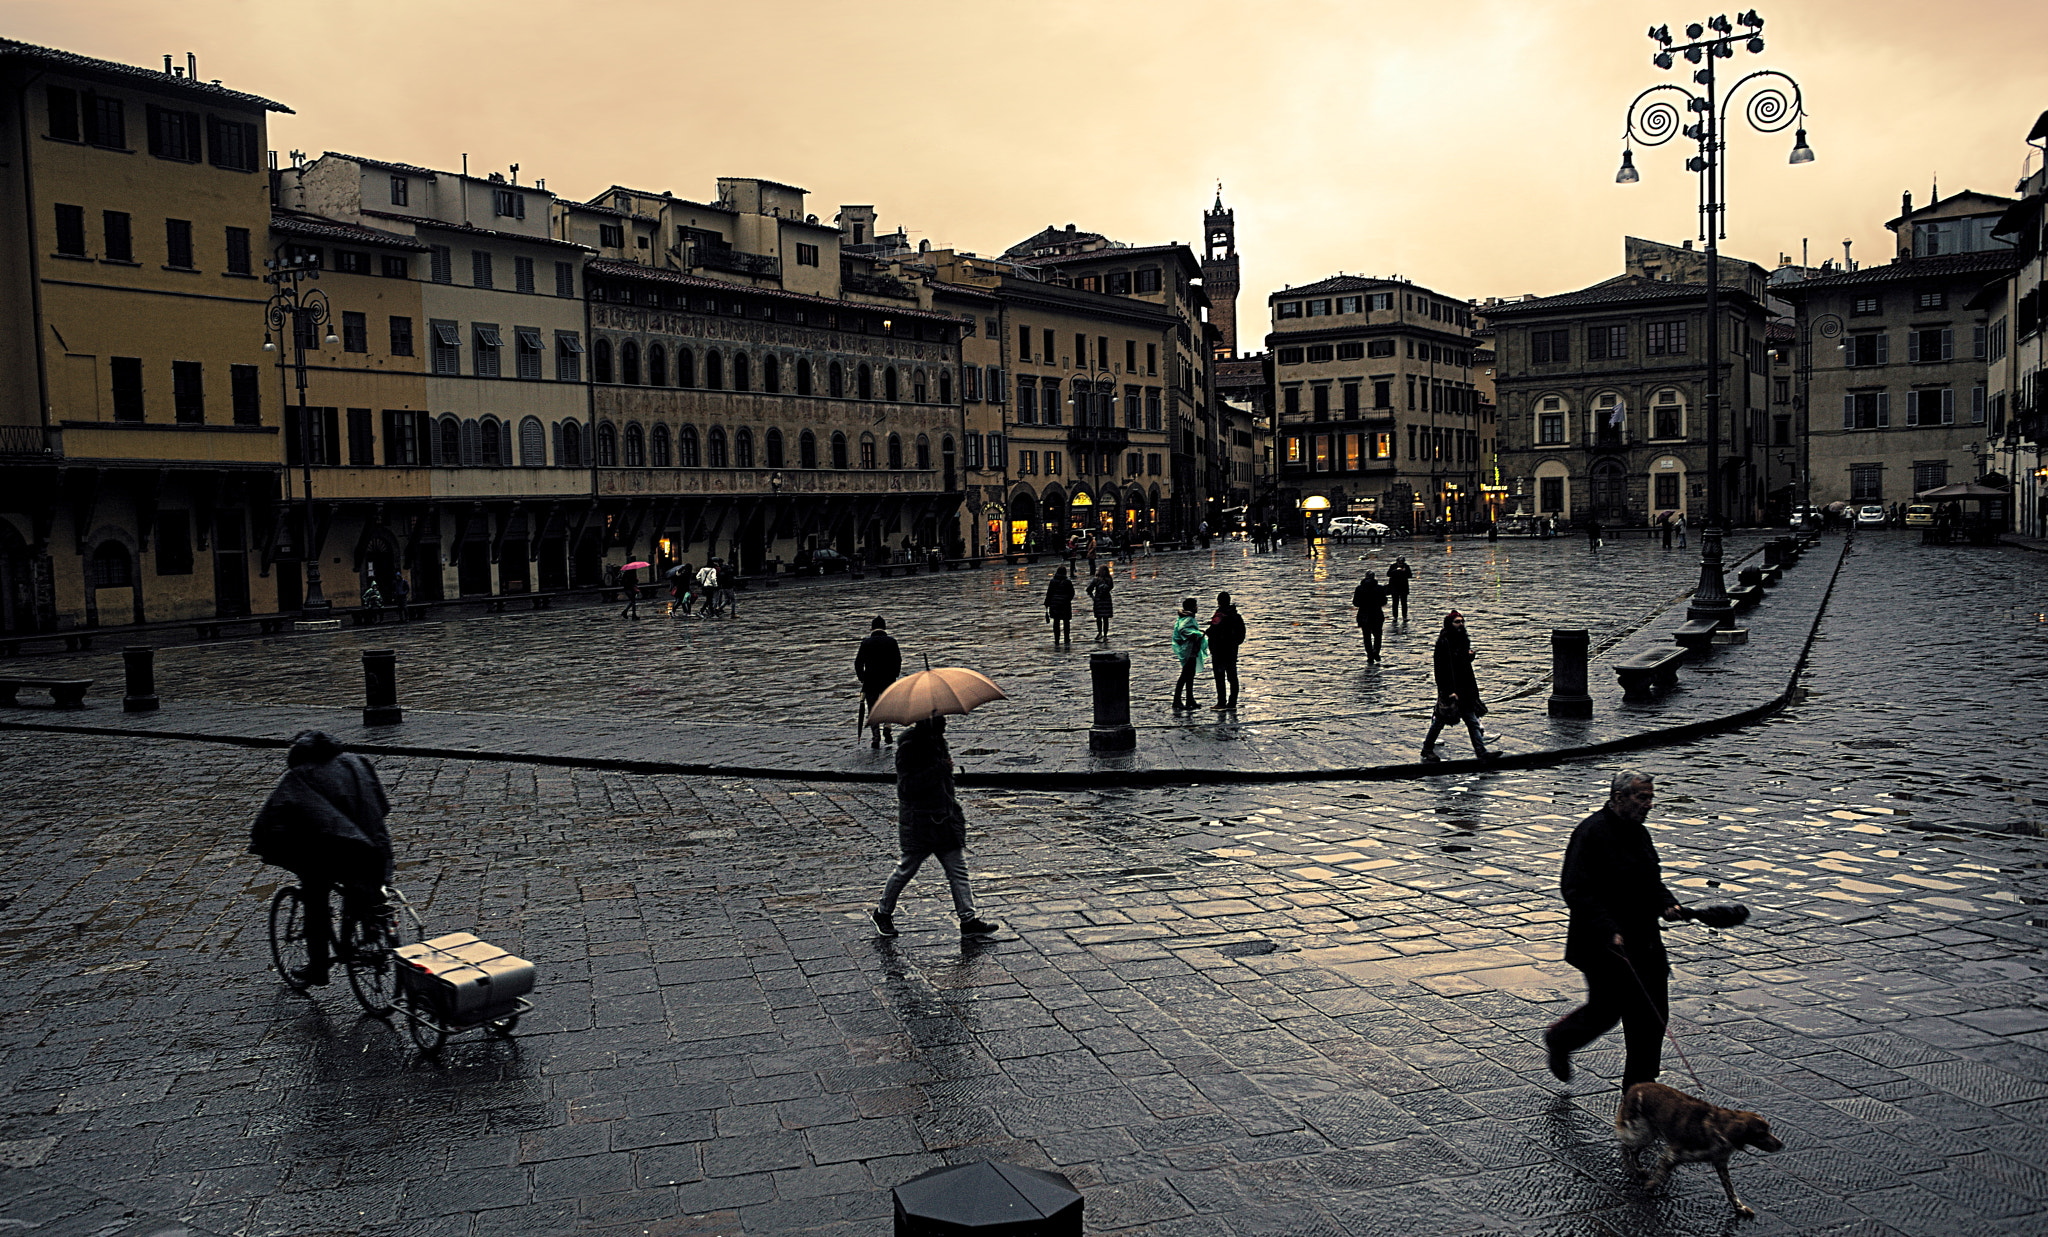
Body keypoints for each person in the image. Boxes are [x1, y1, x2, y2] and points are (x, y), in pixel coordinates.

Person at [1544, 770, 1685, 1091]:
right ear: (1619, 797)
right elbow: (1575, 889)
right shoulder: (1591, 833)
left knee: (1651, 1018)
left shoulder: (1639, 833)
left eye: (1651, 797)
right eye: (1641, 797)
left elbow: (1651, 882)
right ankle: (1560, 1039)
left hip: (1644, 941)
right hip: (1603, 944)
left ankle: (1640, 1093)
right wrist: (1607, 928)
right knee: (1606, 1010)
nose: (1649, 804)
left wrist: (1667, 903)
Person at [248, 730, 395, 988]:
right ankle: (367, 929)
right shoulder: (356, 761)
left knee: (315, 897)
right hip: (374, 847)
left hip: (335, 853)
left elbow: (274, 816)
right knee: (359, 885)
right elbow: (382, 805)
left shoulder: (299, 776)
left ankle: (318, 969)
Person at [869, 716, 1002, 939]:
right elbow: (907, 786)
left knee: (957, 870)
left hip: (944, 819)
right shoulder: (909, 747)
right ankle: (882, 913)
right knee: (906, 869)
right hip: (921, 821)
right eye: (939, 718)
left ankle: (968, 921)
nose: (945, 722)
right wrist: (939, 769)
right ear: (927, 721)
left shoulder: (938, 742)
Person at [1421, 610, 1499, 762]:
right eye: (1457, 622)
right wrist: (1448, 691)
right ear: (1450, 624)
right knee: (1440, 721)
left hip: (1465, 687)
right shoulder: (1444, 642)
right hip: (1452, 688)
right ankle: (1427, 748)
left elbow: (1461, 663)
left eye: (1462, 621)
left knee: (1472, 721)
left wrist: (1469, 656)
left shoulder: (1463, 640)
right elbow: (1440, 668)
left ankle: (1481, 752)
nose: (1460, 624)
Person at [855, 616, 901, 748]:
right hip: (888, 680)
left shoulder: (866, 643)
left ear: (872, 628)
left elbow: (858, 663)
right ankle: (887, 726)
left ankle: (876, 737)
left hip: (870, 681)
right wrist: (894, 675)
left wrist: (862, 677)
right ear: (885, 627)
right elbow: (898, 661)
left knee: (872, 708)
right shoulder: (892, 642)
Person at [1204, 591, 1245, 711]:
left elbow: (1212, 631)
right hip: (1231, 652)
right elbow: (1241, 635)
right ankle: (1232, 703)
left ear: (1219, 602)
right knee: (1232, 677)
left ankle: (1222, 702)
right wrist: (1234, 644)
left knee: (1220, 677)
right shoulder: (1236, 616)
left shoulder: (1219, 616)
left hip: (1218, 652)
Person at [1171, 597, 1206, 711]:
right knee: (1185, 675)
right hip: (1189, 650)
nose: (1197, 607)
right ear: (1192, 607)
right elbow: (1183, 630)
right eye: (1195, 605)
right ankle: (1177, 700)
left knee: (1190, 675)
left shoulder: (1184, 617)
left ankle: (1189, 699)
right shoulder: (1188, 619)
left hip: (1190, 650)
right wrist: (1195, 634)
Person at [1351, 571, 1387, 665]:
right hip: (1377, 614)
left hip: (1364, 615)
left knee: (1366, 636)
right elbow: (1384, 601)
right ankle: (1376, 651)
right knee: (1377, 635)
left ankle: (1370, 655)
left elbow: (1356, 603)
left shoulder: (1360, 588)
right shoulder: (1379, 588)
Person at [1044, 567, 1075, 643]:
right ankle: (1066, 638)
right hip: (1065, 604)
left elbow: (1049, 593)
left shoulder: (1053, 581)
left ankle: (1056, 639)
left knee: (1056, 621)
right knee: (1066, 622)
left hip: (1055, 604)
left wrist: (1047, 603)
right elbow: (1072, 593)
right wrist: (1067, 599)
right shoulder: (1067, 582)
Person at [1086, 565, 1115, 641]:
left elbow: (1088, 589)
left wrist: (1093, 597)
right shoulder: (1109, 579)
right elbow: (1111, 587)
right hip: (1106, 600)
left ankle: (1100, 633)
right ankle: (1105, 635)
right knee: (1105, 619)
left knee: (1099, 618)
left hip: (1098, 600)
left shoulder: (1096, 580)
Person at [1386, 556, 1413, 623]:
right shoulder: (1393, 566)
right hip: (1394, 587)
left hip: (1403, 587)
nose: (1400, 563)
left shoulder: (1406, 566)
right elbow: (1388, 574)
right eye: (1399, 562)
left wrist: (1405, 571)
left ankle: (1404, 616)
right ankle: (1395, 616)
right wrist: (1396, 571)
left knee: (1404, 603)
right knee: (1395, 603)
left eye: (1402, 562)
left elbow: (1410, 575)